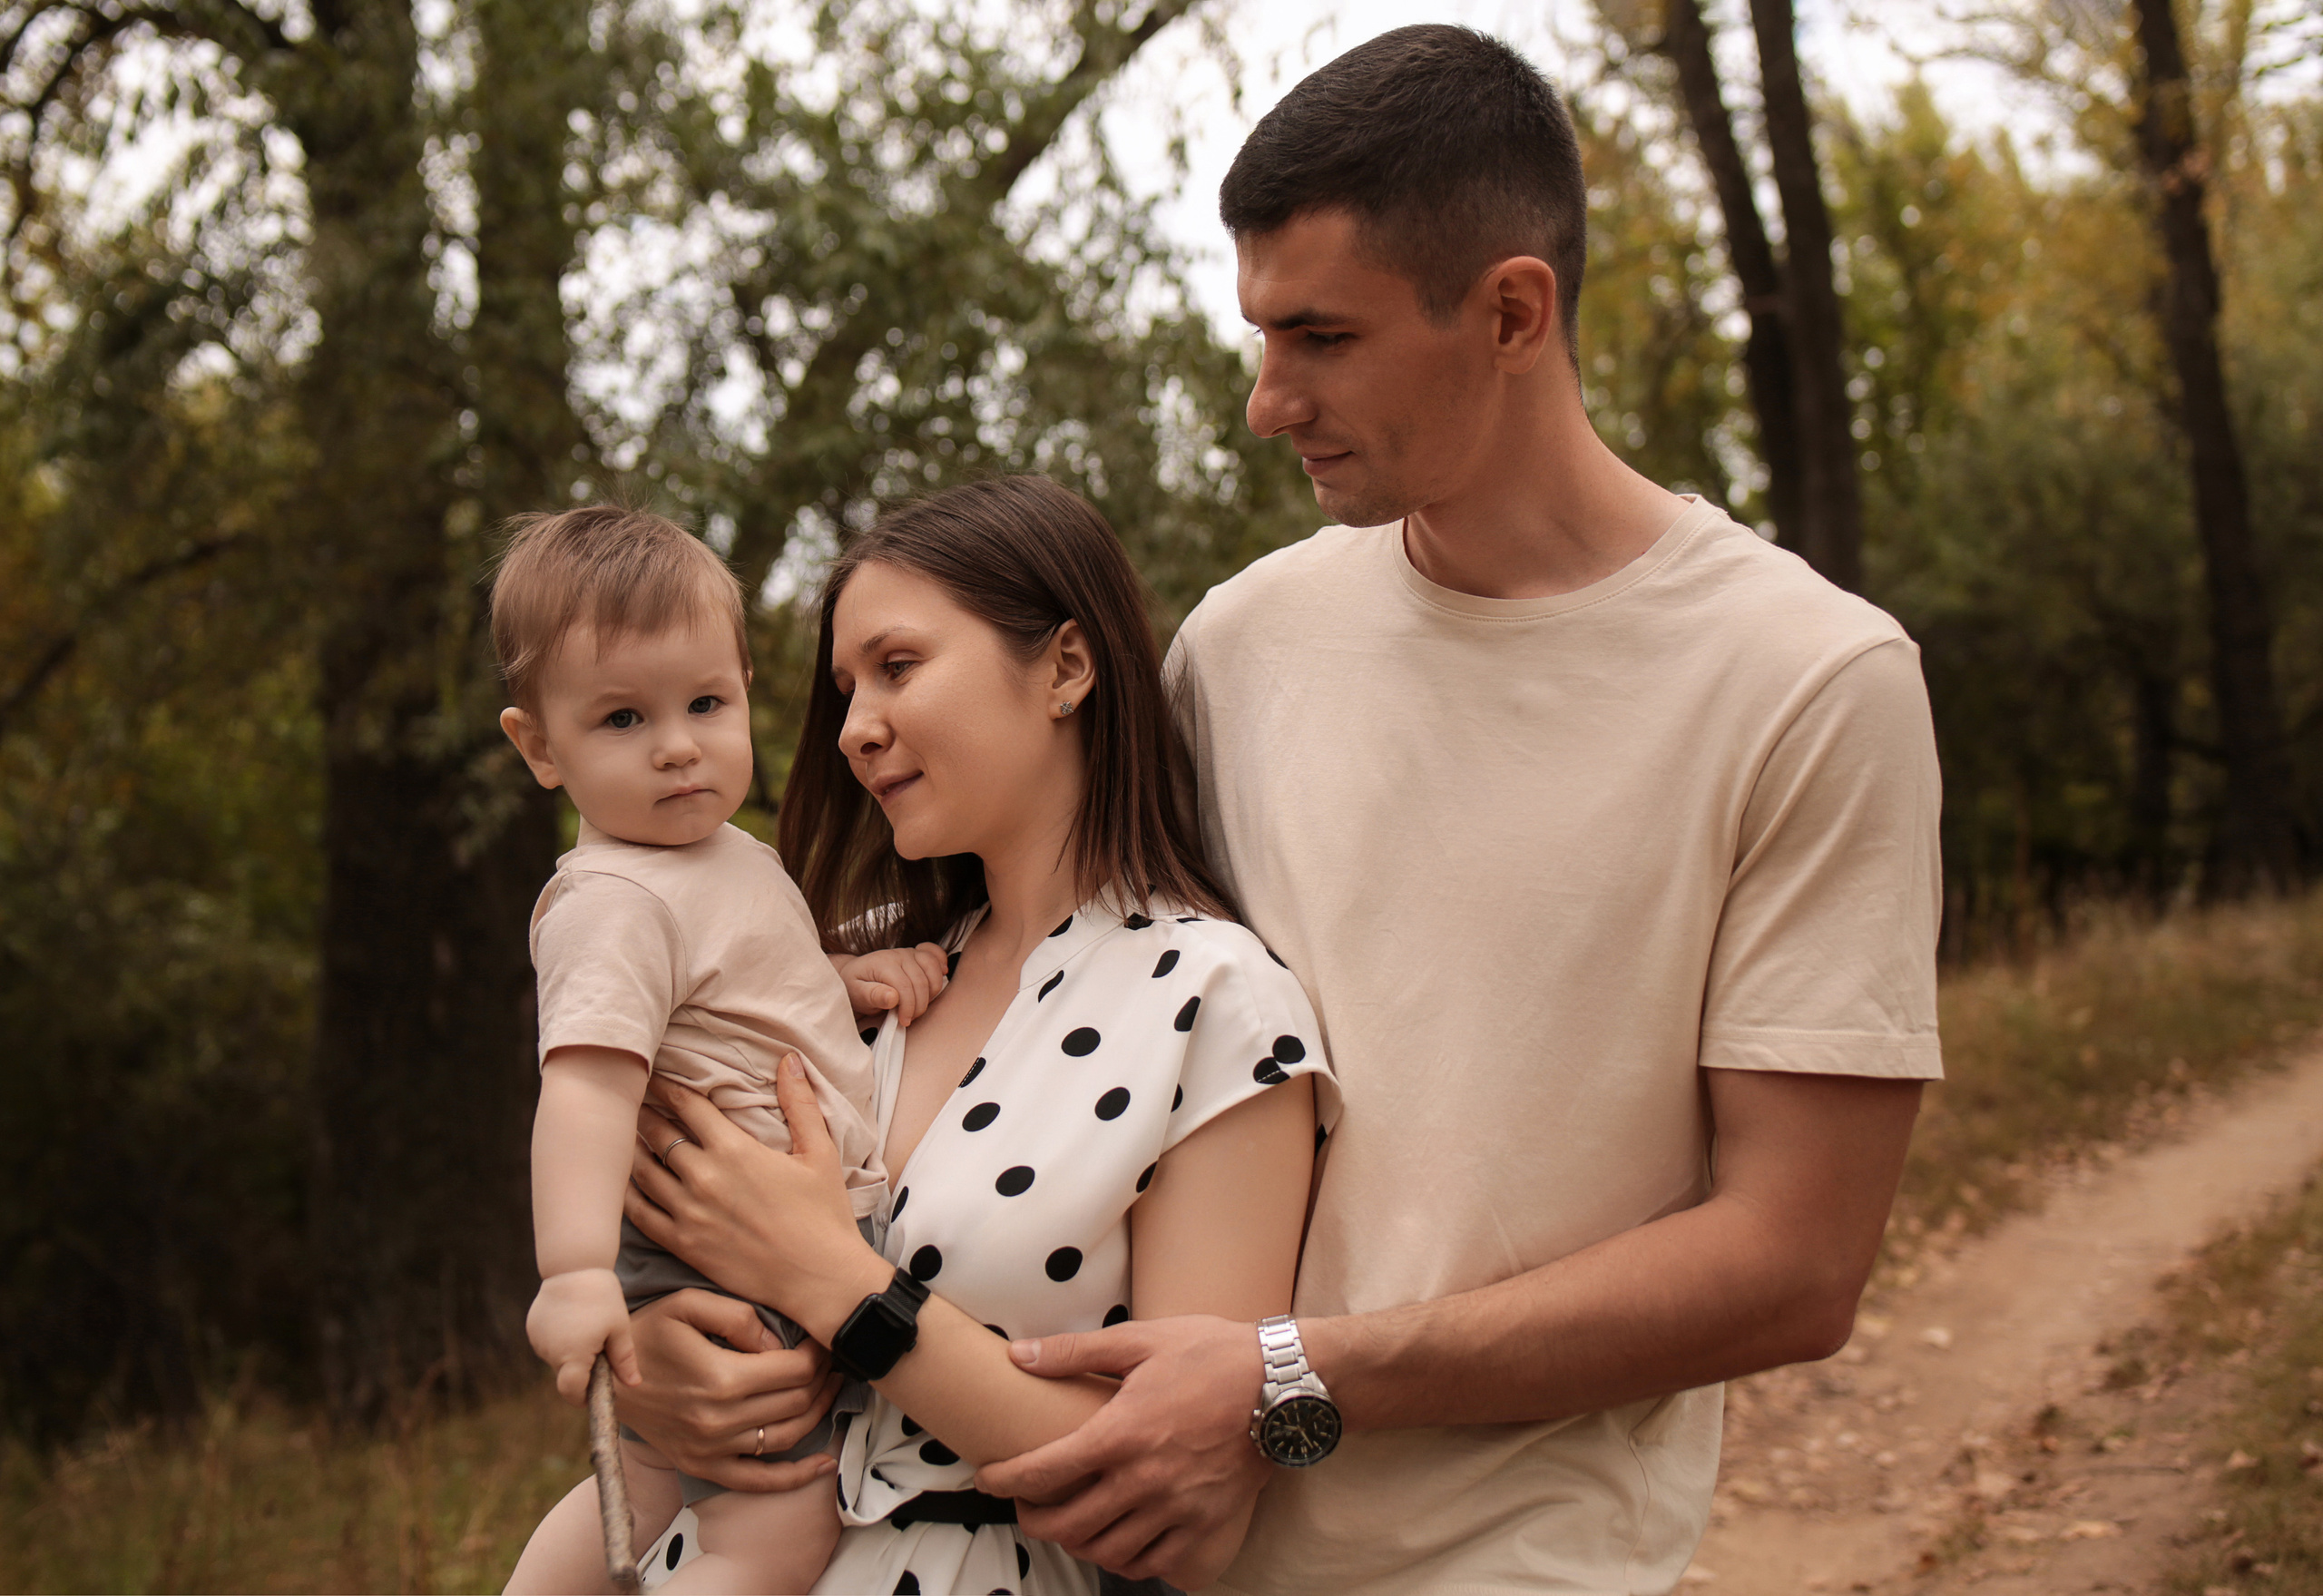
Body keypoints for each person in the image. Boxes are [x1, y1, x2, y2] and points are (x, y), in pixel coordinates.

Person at [962, 25, 1944, 1595]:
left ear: (1510, 310)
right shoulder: (1240, 643)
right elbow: (1047, 995)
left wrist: (1289, 1376)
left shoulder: (1808, 680)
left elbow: (1794, 1260)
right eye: (1259, 336)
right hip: (1143, 1541)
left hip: (1514, 1555)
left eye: (1321, 337)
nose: (1267, 400)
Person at [614, 475, 1336, 1595]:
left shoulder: (1211, 1002)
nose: (854, 727)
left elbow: (1184, 1512)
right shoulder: (837, 974)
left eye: (897, 667)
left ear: (1065, 666)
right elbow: (645, 1234)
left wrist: (843, 1288)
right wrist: (654, 1371)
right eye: (844, 687)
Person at [493, 506, 935, 1594]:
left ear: (745, 689)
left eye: (705, 702)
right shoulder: (612, 900)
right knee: (774, 1524)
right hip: (730, 1251)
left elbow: (733, 994)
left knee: (643, 1486)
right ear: (539, 747)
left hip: (751, 1235)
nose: (678, 743)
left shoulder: (714, 856)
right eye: (622, 718)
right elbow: (588, 1091)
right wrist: (575, 1272)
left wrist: (839, 979)